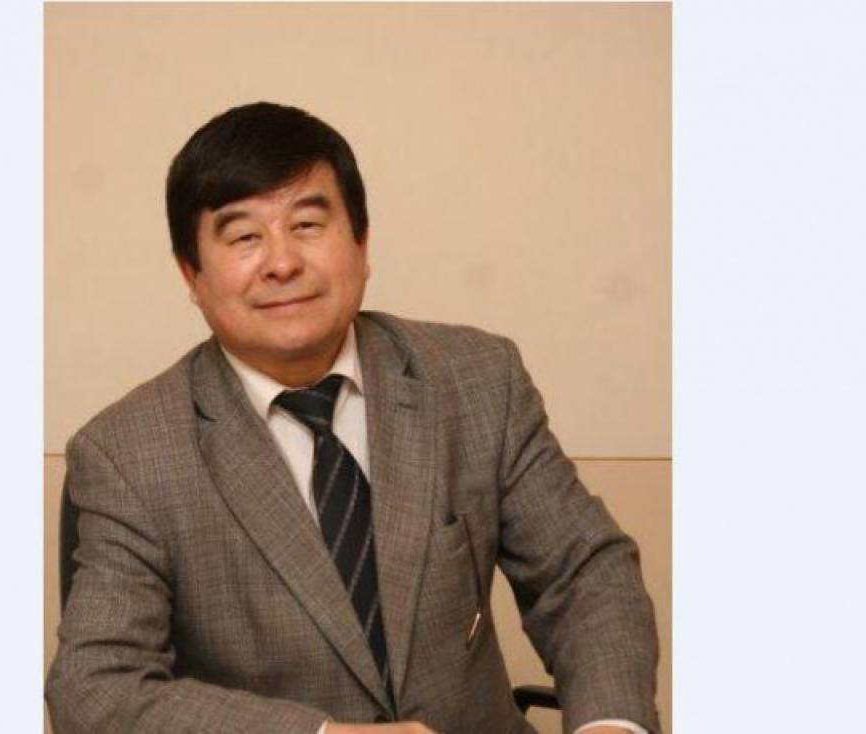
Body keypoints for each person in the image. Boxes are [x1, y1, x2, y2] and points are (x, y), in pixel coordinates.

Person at [45, 102, 660, 734]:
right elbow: (96, 688)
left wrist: (611, 725)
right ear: (191, 274)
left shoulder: (477, 379)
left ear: (362, 245)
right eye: (244, 237)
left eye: (308, 224)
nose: (282, 262)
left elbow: (583, 574)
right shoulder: (128, 453)